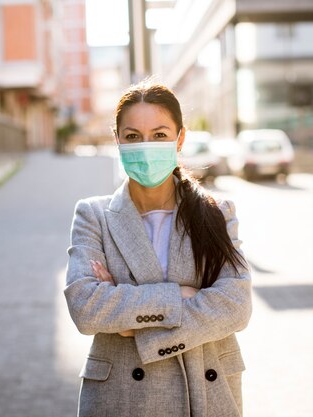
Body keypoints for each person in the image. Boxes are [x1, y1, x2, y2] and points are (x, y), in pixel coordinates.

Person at [64, 80, 252, 417]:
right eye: (133, 136)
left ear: (180, 138)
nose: (145, 146)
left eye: (160, 134)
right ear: (117, 139)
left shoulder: (217, 213)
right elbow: (85, 306)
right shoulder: (93, 215)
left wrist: (130, 324)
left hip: (206, 392)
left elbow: (236, 305)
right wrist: (179, 296)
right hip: (122, 397)